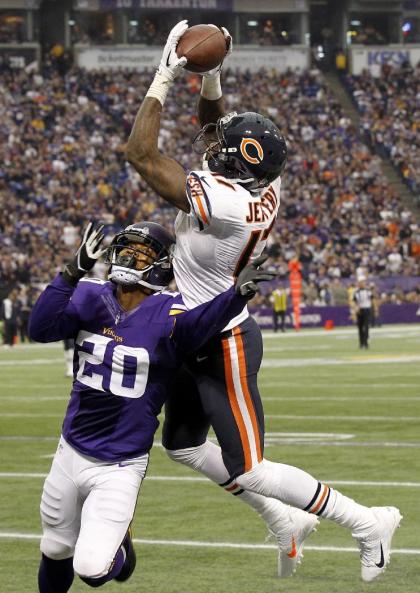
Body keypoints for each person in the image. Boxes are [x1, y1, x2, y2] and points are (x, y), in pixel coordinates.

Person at [125, 21, 402, 582]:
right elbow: (214, 132)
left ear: (237, 169)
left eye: (225, 151)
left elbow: (140, 152)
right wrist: (211, 75)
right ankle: (284, 521)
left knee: (247, 464)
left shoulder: (224, 203)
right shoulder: (261, 185)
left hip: (224, 340)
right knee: (180, 445)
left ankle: (368, 521)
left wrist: (167, 74)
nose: (215, 149)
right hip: (194, 328)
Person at [29, 221, 271, 593]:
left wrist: (236, 295)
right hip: (70, 449)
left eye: (142, 253)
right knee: (55, 546)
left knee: (92, 569)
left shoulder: (172, 312)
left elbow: (205, 322)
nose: (129, 256)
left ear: (163, 265)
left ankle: (120, 544)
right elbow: (40, 328)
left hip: (119, 463)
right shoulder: (91, 293)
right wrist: (70, 271)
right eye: (126, 248)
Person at [353, 277, 373, 349]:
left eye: (363, 282)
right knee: (360, 327)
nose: (361, 284)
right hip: (360, 310)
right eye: (360, 282)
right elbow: (355, 302)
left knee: (366, 327)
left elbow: (372, 299)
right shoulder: (356, 292)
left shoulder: (368, 291)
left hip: (367, 309)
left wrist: (375, 310)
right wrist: (355, 310)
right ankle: (361, 343)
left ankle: (366, 342)